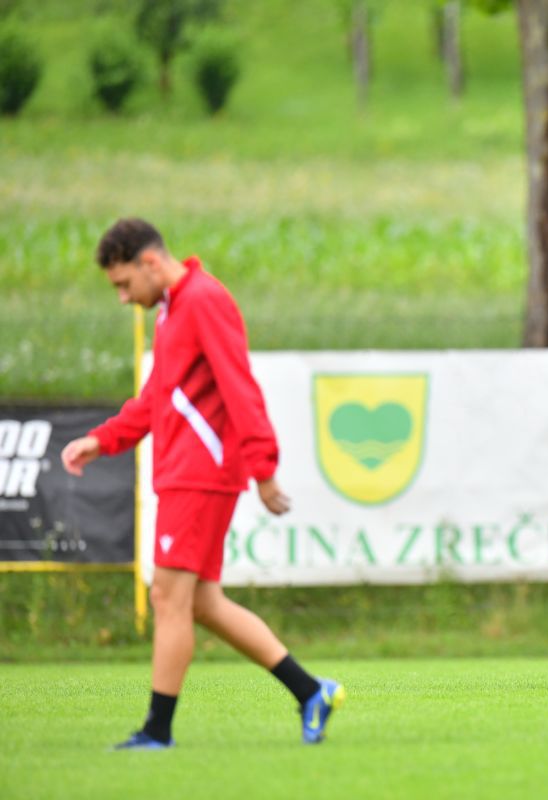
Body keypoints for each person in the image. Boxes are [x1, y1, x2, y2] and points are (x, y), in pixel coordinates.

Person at [61, 218, 345, 750]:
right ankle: (311, 692)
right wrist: (104, 439)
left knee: (168, 597)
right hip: (186, 472)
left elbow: (240, 386)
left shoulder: (203, 300)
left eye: (123, 283)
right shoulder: (173, 310)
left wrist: (263, 468)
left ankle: (156, 731)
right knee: (201, 603)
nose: (123, 298)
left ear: (149, 262)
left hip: (200, 473)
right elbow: (157, 398)